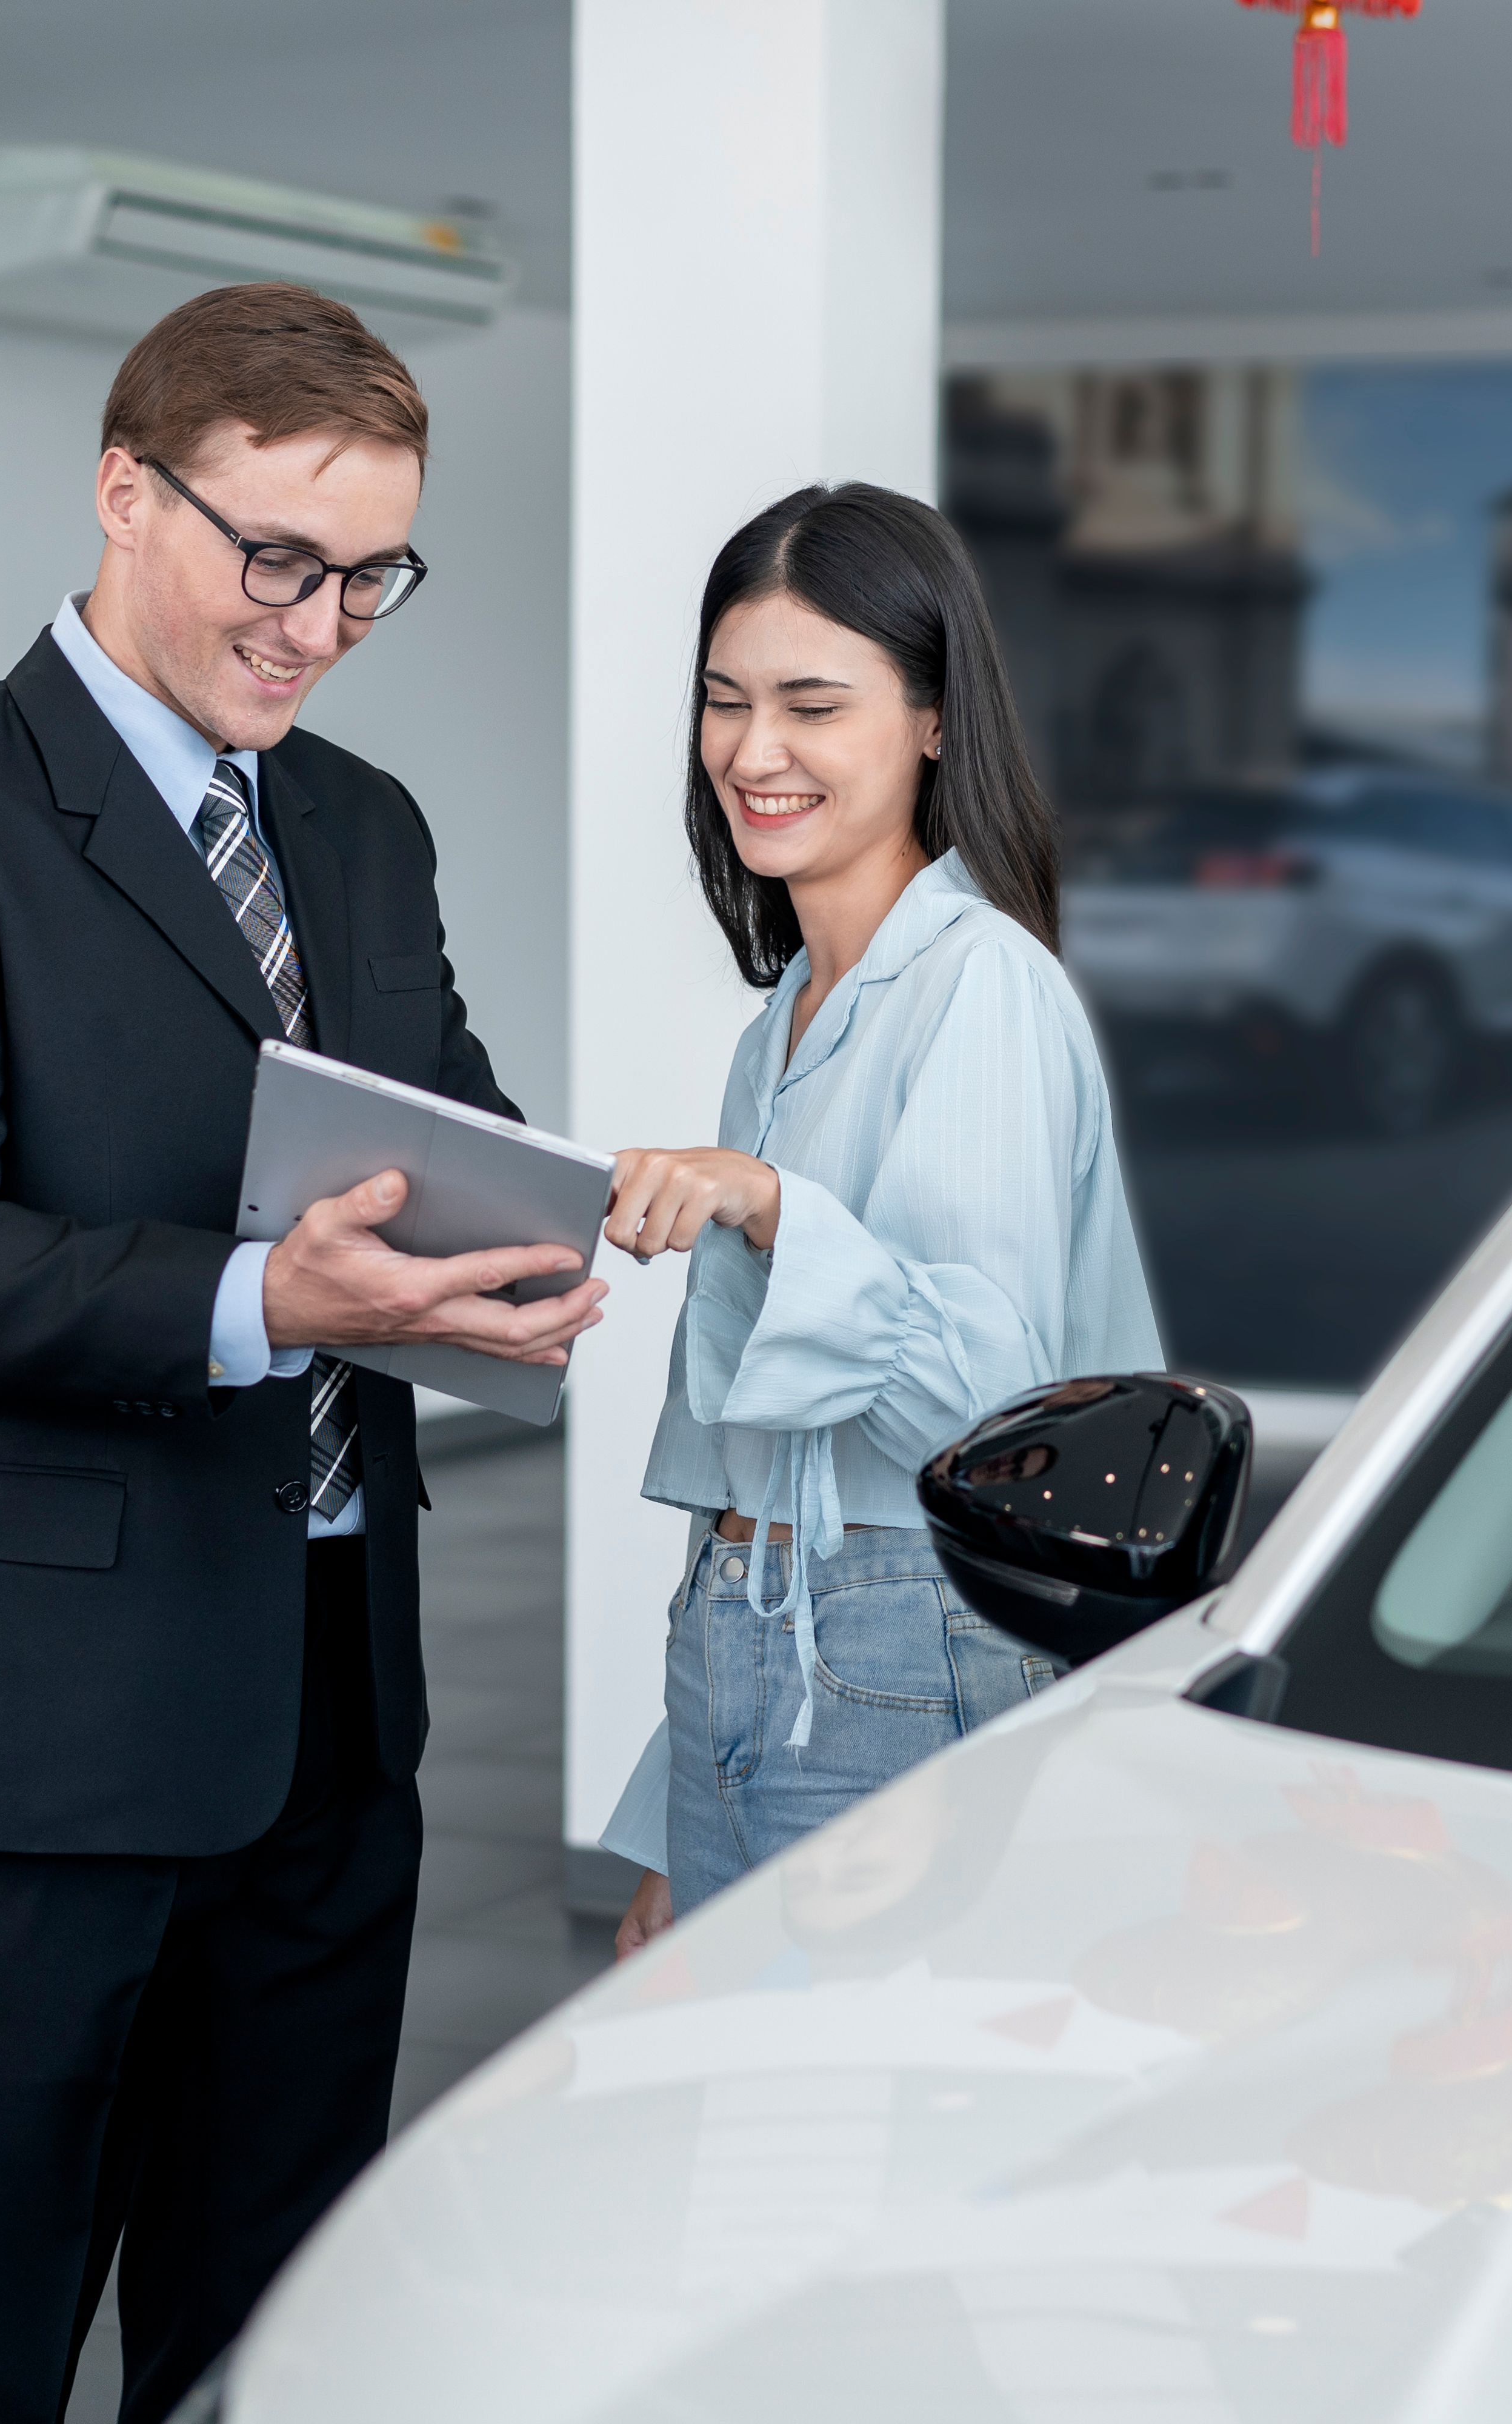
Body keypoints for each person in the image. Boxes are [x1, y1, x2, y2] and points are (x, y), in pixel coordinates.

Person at [0, 282, 605, 2424]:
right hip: (30, 1744)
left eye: (372, 577)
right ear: (127, 493)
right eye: (281, 559)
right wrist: (264, 1305)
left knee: (271, 2339)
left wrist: (521, 1262)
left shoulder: (364, 825)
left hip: (328, 1711)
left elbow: (447, 1141)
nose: (321, 625)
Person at [596, 482, 1161, 1956]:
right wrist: (677, 1806)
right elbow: (760, 1447)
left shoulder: (984, 983)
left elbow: (989, 1411)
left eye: (810, 703)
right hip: (745, 1633)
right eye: (724, 702)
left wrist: (777, 1208)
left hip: (895, 1636)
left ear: (929, 720)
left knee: (845, 2143)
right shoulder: (784, 1015)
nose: (752, 751)